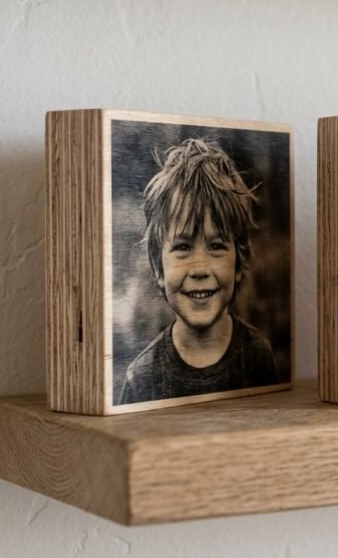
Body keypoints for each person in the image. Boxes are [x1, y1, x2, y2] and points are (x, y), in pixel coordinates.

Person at [118, 138, 285, 405]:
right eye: (183, 247)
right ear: (158, 266)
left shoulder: (256, 355)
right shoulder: (142, 376)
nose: (199, 269)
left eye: (216, 246)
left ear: (239, 260)